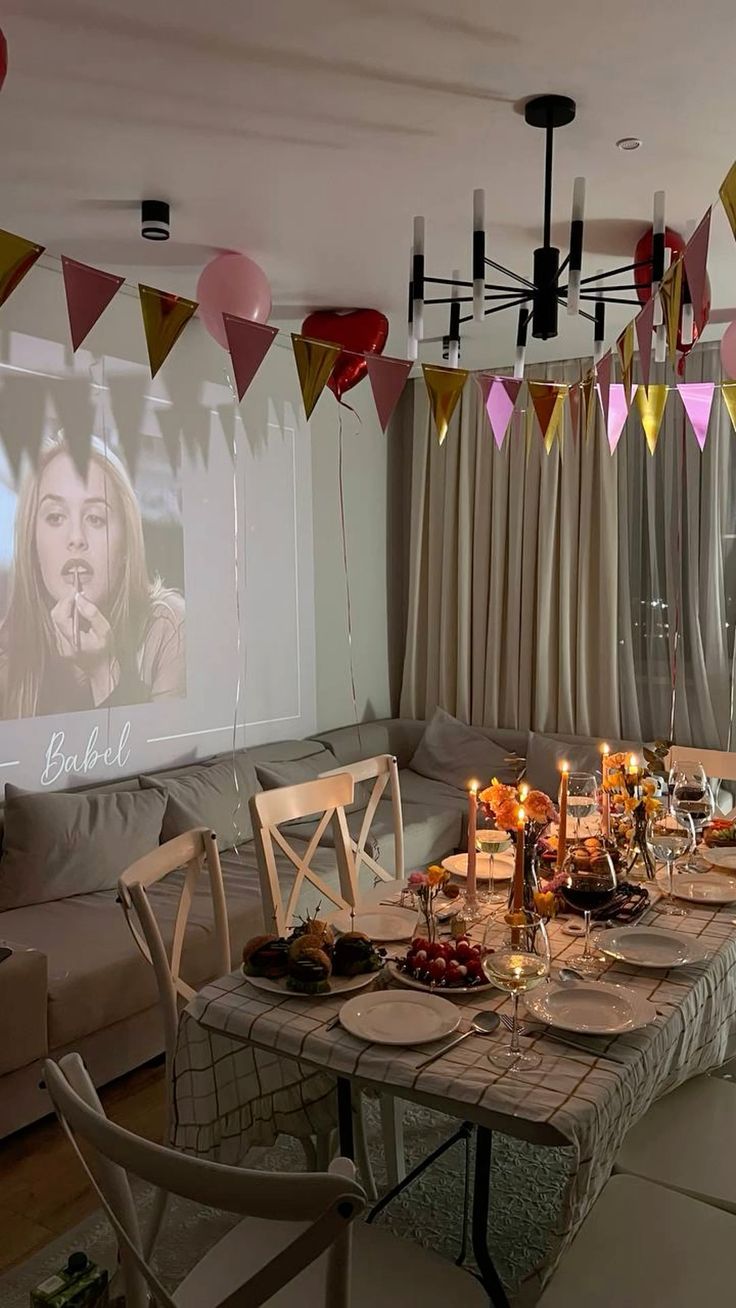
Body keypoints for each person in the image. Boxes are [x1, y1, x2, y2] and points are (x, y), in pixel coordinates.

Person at [0, 434, 185, 719]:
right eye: (55, 517)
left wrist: (102, 671)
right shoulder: (7, 654)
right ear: (32, 546)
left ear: (126, 544)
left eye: (95, 518)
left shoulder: (168, 627)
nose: (76, 538)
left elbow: (158, 759)